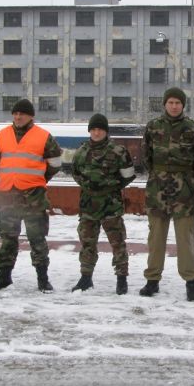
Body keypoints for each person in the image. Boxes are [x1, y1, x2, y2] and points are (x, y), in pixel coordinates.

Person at [139, 87, 194, 301]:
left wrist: (185, 176)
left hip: (184, 191)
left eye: (178, 103)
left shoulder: (192, 128)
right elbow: (146, 155)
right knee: (156, 237)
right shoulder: (153, 127)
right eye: (171, 102)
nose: (174, 106)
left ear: (183, 105)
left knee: (186, 238)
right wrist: (159, 174)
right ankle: (152, 280)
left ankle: (191, 281)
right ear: (165, 104)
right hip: (157, 189)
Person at [0, 99, 62, 292]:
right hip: (7, 195)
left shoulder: (43, 136)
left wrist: (39, 179)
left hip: (33, 197)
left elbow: (55, 163)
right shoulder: (2, 135)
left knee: (37, 238)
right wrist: (8, 177)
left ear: (31, 116)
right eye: (15, 113)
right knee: (7, 238)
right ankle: (4, 276)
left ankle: (42, 279)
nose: (18, 117)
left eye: (22, 114)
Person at [70, 113, 136, 295]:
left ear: (106, 131)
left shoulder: (118, 151)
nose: (97, 133)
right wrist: (88, 185)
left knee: (118, 243)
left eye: (100, 129)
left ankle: (121, 279)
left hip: (111, 206)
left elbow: (128, 175)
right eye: (93, 129)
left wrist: (109, 186)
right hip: (88, 206)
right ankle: (85, 278)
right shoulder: (81, 151)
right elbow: (75, 172)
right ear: (89, 131)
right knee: (87, 243)